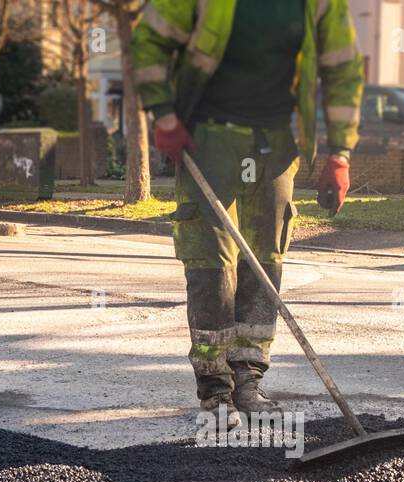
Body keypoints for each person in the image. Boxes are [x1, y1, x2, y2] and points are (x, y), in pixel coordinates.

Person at [132, 0, 364, 425]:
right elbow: (149, 40)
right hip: (209, 139)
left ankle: (248, 379)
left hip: (276, 144)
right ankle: (215, 389)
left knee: (264, 261)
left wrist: (340, 153)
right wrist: (164, 115)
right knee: (212, 263)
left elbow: (342, 69)